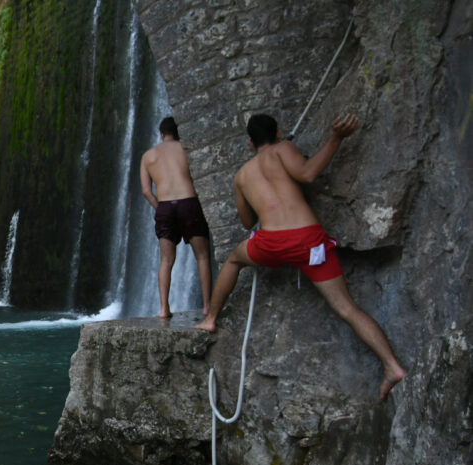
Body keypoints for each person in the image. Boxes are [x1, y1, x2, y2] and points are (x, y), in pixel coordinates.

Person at [194, 113, 406, 400]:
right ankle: (392, 366)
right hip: (308, 242)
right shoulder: (284, 149)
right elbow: (307, 174)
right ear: (278, 133)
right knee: (346, 308)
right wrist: (336, 138)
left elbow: (246, 222)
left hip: (271, 244)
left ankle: (211, 318)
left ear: (250, 143)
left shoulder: (241, 176)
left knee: (234, 259)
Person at [140, 116, 213, 318]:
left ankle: (164, 308)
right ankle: (207, 306)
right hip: (189, 202)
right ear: (179, 132)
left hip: (165, 206)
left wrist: (159, 207)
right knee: (203, 256)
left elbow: (146, 191)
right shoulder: (186, 149)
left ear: (161, 134)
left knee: (166, 260)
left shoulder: (148, 156)